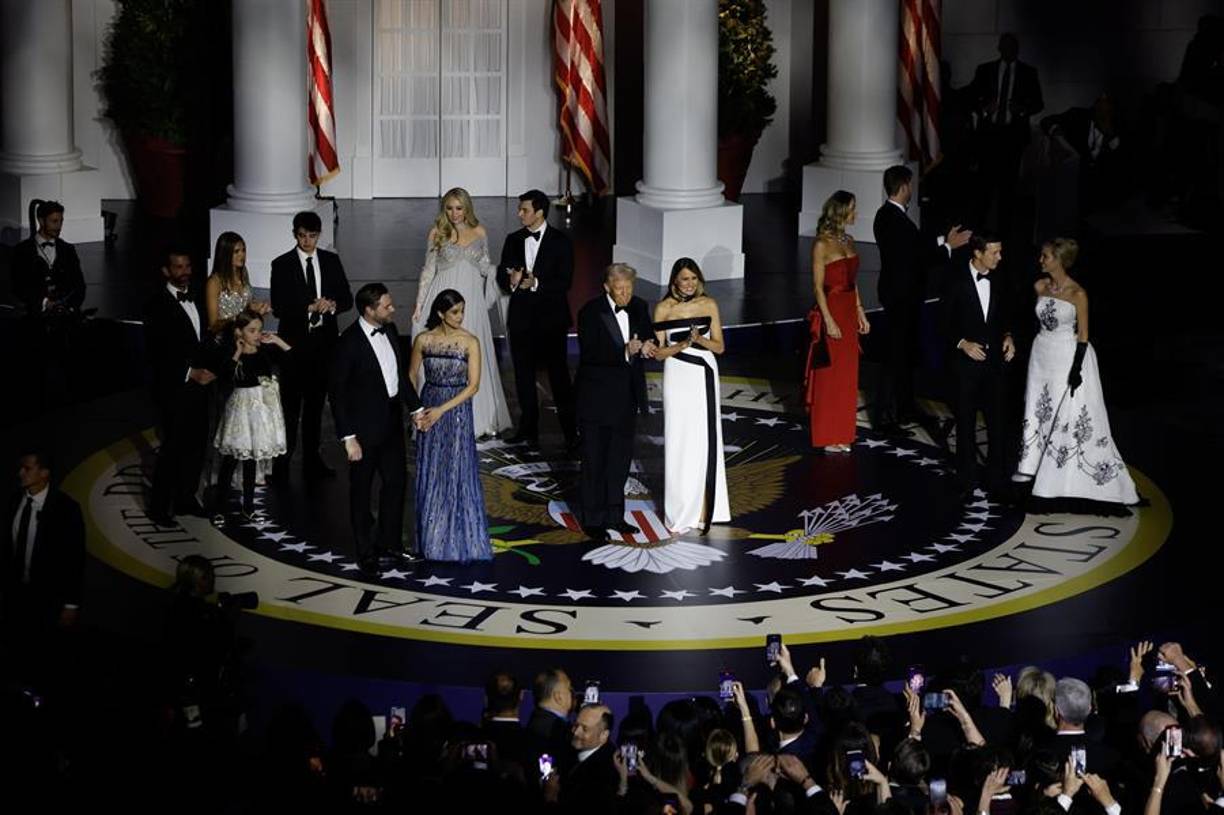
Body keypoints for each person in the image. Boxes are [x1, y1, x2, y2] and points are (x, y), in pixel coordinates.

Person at [1013, 238, 1139, 510]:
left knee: (1064, 412)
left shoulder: (1077, 294)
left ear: (1059, 260)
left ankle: (1058, 475)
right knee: (1037, 407)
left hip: (1065, 356)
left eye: (1046, 256)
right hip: (1041, 354)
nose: (1041, 260)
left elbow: (1083, 335)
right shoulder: (1039, 286)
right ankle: (1030, 464)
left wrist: (1076, 369)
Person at [872, 166, 971, 436]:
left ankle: (903, 408)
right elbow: (919, 258)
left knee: (903, 355)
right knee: (895, 356)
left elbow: (913, 245)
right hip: (901, 297)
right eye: (910, 185)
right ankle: (885, 417)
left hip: (901, 295)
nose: (912, 189)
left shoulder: (886, 215)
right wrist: (949, 248)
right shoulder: (895, 220)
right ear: (904, 186)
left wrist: (943, 240)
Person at [329, 283, 422, 570]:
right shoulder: (348, 343)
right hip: (363, 432)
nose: (393, 309)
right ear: (370, 310)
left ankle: (390, 543)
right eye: (387, 306)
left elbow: (400, 378)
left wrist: (416, 408)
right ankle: (365, 549)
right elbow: (338, 394)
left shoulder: (391, 331)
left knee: (395, 484)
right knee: (361, 490)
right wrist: (348, 437)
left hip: (391, 425)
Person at [411, 188, 512, 439]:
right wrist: (420, 303)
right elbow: (428, 270)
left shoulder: (480, 232)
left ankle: (478, 419)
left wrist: (505, 274)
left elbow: (484, 267)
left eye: (459, 208)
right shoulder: (437, 233)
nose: (454, 213)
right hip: (443, 293)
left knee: (472, 355)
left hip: (471, 301)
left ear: (467, 208)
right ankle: (436, 414)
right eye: (449, 208)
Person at [409, 289, 492, 563]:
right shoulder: (423, 339)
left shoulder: (470, 342)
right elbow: (410, 375)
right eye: (455, 311)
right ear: (440, 313)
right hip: (428, 406)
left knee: (455, 471)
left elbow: (474, 386)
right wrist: (416, 411)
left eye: (462, 311)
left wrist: (440, 411)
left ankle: (457, 540)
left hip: (455, 411)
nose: (460, 316)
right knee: (431, 470)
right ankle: (431, 540)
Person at [270, 211, 353, 481]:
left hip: (323, 346)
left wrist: (332, 305)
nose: (308, 241)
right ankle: (282, 464)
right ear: (295, 234)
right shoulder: (281, 264)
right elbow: (280, 307)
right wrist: (308, 306)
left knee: (316, 408)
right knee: (291, 408)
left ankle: (312, 460)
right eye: (303, 236)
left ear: (320, 235)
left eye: (313, 236)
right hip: (293, 347)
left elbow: (347, 299)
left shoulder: (330, 261)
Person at [575, 264, 655, 540]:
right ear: (607, 287)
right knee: (594, 460)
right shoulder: (590, 312)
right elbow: (591, 352)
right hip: (596, 399)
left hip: (626, 398)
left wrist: (646, 346)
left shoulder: (640, 306)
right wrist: (624, 350)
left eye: (629, 289)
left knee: (619, 460)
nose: (625, 294)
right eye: (620, 289)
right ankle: (593, 519)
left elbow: (649, 335)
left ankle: (615, 516)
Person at [651, 258, 730, 535]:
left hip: (704, 373)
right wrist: (683, 344)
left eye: (694, 279)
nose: (690, 284)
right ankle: (680, 511)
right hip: (677, 373)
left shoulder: (708, 305)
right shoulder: (663, 309)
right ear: (675, 281)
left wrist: (699, 340)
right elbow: (659, 353)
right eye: (685, 279)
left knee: (704, 438)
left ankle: (706, 509)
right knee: (679, 438)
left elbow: (719, 347)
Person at [496, 189, 577, 449]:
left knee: (559, 377)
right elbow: (501, 274)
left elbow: (565, 281)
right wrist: (510, 281)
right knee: (523, 376)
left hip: (551, 320)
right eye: (520, 209)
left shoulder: (561, 241)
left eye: (525, 210)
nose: (520, 214)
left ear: (540, 212)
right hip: (521, 320)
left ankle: (570, 432)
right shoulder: (512, 239)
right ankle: (528, 430)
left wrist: (536, 283)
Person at [144, 247, 217, 527]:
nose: (185, 272)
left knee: (197, 446)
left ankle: (186, 498)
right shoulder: (155, 304)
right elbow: (157, 353)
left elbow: (203, 340)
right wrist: (189, 372)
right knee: (172, 448)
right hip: (174, 388)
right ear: (166, 271)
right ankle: (159, 507)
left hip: (201, 387)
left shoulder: (197, 294)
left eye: (187, 266)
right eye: (178, 267)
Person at [939, 233, 1015, 500]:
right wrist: (962, 343)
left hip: (995, 364)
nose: (1000, 257)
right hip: (965, 366)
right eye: (995, 252)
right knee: (966, 422)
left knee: (997, 422)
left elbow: (1004, 315)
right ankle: (967, 479)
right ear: (978, 253)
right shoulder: (955, 280)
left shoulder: (1000, 278)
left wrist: (1008, 336)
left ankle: (997, 479)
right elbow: (942, 323)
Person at [212, 310, 291, 520]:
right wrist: (237, 352)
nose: (257, 335)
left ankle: (248, 506)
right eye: (252, 330)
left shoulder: (264, 351)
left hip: (261, 412)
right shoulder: (231, 352)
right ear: (239, 332)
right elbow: (225, 376)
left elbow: (293, 360)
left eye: (260, 330)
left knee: (251, 461)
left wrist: (277, 340)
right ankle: (219, 508)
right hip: (240, 412)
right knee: (230, 461)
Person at [806, 191, 870, 453]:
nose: (856, 214)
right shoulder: (821, 244)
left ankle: (842, 432)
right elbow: (818, 288)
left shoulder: (850, 240)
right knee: (829, 376)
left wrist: (861, 312)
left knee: (846, 376)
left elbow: (853, 284)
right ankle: (826, 435)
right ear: (841, 211)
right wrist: (829, 322)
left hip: (848, 311)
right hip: (831, 311)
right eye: (853, 209)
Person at [2, 450, 85, 635]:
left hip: (47, 599)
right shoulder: (14, 500)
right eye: (20, 468)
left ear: (44, 473)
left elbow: (74, 558)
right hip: (13, 594)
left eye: (27, 468)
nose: (20, 473)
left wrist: (71, 605)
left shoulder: (67, 509)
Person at [969, 33, 1044, 235]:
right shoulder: (985, 70)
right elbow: (971, 97)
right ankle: (979, 228)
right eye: (1005, 47)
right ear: (999, 48)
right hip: (989, 136)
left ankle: (1004, 231)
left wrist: (1022, 109)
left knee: (1008, 186)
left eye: (1012, 47)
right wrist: (985, 109)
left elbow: (1038, 103)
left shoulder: (1028, 73)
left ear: (1017, 50)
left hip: (1013, 137)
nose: (1008, 51)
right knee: (984, 183)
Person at [10, 199, 85, 321]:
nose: (59, 226)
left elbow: (79, 285)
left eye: (61, 221)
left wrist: (69, 307)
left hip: (65, 315)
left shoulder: (68, 249)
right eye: (54, 221)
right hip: (34, 315)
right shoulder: (22, 251)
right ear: (41, 221)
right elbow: (19, 286)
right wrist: (44, 303)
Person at [204, 231, 269, 335]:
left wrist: (256, 308)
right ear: (225, 254)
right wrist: (237, 318)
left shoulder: (243, 274)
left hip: (245, 338)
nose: (242, 255)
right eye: (236, 251)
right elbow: (213, 325)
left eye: (243, 250)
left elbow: (245, 307)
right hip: (225, 340)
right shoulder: (214, 282)